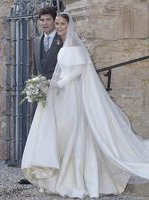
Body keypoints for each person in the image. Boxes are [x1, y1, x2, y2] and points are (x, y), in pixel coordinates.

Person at [21, 12, 149, 199]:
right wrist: (47, 85)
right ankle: (59, 174)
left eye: (61, 24)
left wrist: (55, 85)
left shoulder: (73, 47)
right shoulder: (63, 45)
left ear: (69, 25)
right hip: (61, 95)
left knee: (74, 133)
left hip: (71, 96)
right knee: (62, 134)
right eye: (56, 23)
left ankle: (77, 178)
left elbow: (76, 73)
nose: (58, 27)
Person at [19, 6, 63, 185]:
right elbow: (36, 68)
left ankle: (55, 172)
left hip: (58, 94)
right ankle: (35, 172)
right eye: (42, 20)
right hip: (40, 95)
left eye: (48, 20)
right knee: (38, 133)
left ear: (54, 21)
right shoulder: (37, 40)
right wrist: (34, 86)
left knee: (54, 132)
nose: (44, 23)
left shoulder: (62, 40)